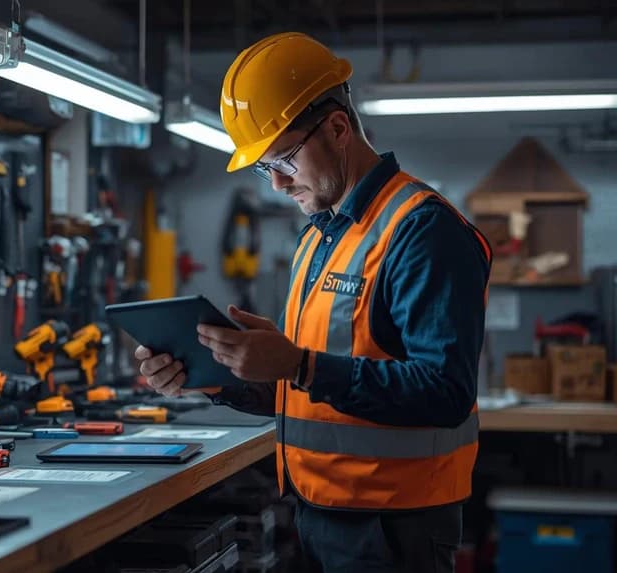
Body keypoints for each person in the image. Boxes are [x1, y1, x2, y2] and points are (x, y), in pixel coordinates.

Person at [135, 32, 492, 573]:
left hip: (396, 525)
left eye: (282, 160)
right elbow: (309, 393)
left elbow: (444, 394)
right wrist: (219, 373)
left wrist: (296, 363)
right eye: (264, 168)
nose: (276, 184)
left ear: (338, 128)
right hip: (321, 512)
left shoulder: (421, 230)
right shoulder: (322, 236)